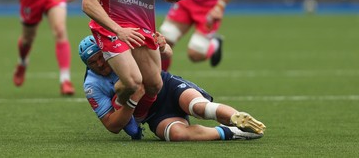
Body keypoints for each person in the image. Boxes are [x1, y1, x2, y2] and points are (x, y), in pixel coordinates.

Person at [79, 34, 266, 141]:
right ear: (87, 65)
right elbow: (112, 125)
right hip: (152, 115)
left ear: (106, 51)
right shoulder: (92, 85)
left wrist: (161, 46)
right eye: (93, 63)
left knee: (199, 107)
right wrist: (133, 98)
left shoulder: (122, 49)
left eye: (101, 57)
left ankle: (237, 118)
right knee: (176, 134)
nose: (100, 64)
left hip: (167, 88)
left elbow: (168, 52)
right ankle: (233, 133)